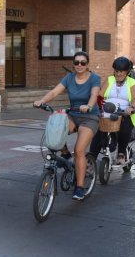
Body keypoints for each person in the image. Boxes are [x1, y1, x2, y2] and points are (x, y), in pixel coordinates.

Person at [34, 51, 101, 201]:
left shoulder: (95, 78)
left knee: (79, 150)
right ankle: (65, 154)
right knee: (56, 131)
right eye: (76, 62)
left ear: (87, 64)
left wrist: (89, 106)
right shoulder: (69, 78)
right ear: (73, 64)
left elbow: (94, 95)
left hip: (89, 117)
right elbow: (54, 92)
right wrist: (42, 101)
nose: (79, 65)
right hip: (73, 115)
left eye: (83, 63)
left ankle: (80, 187)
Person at [90, 56, 135, 165]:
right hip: (108, 111)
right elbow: (100, 94)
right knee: (99, 132)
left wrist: (131, 108)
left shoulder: (132, 82)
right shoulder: (110, 80)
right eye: (116, 71)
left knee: (124, 126)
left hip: (124, 113)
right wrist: (96, 105)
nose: (118, 74)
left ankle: (121, 153)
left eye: (121, 71)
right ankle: (91, 158)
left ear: (127, 72)